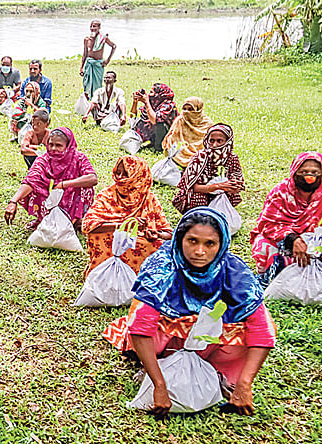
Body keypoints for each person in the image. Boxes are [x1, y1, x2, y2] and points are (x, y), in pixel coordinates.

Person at [103, 208, 275, 417]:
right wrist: (159, 384)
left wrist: (245, 384)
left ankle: (218, 372)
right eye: (192, 241)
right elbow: (140, 327)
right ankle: (156, 364)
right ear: (179, 239)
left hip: (208, 342)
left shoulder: (234, 271)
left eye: (209, 244)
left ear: (221, 246)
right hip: (167, 340)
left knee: (245, 332)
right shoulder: (161, 267)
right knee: (147, 330)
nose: (200, 251)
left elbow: (263, 331)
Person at [81, 156, 172, 277]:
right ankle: (104, 275)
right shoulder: (107, 195)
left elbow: (169, 234)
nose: (119, 178)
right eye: (118, 173)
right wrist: (124, 224)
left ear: (138, 177)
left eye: (125, 174)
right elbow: (87, 226)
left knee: (156, 246)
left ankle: (140, 280)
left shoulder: (149, 199)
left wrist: (157, 234)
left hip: (141, 242)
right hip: (113, 239)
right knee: (102, 236)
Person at [250, 152, 322, 284]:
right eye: (304, 171)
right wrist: (292, 239)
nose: (309, 177)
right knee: (263, 245)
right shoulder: (281, 192)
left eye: (315, 172)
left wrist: (312, 245)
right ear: (294, 172)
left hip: (315, 244)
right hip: (283, 242)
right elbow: (267, 224)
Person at [5, 127, 97, 230]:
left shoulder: (78, 158)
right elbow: (31, 180)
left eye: (58, 145)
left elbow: (92, 178)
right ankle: (44, 218)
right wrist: (13, 201)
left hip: (71, 196)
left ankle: (75, 220)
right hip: (50, 198)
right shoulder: (44, 159)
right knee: (36, 187)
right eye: (51, 144)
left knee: (86, 189)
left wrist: (63, 185)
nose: (53, 148)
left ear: (68, 146)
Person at [173, 124, 244, 214]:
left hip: (221, 192)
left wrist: (233, 187)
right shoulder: (200, 158)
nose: (215, 145)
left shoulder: (232, 158)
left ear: (228, 141)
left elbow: (239, 183)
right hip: (202, 193)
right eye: (212, 141)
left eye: (219, 141)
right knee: (196, 197)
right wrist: (218, 186)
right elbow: (191, 187)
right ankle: (198, 216)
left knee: (232, 195)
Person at [163, 97, 215, 167]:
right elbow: (171, 139)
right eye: (184, 109)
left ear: (198, 110)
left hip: (200, 156)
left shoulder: (207, 124)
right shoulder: (180, 120)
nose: (186, 112)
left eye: (190, 109)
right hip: (179, 155)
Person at [131, 83, 177, 153]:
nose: (149, 95)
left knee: (160, 125)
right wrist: (135, 102)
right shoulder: (153, 103)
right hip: (154, 134)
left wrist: (146, 102)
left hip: (168, 135)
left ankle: (159, 147)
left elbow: (155, 120)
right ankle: (151, 142)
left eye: (152, 92)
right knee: (141, 121)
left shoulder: (168, 105)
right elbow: (132, 116)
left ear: (159, 94)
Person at [80, 20, 116, 99]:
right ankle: (87, 101)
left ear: (99, 28)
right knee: (86, 84)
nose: (92, 28)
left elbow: (113, 46)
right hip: (89, 64)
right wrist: (81, 67)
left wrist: (107, 60)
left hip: (98, 64)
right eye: (91, 26)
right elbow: (85, 54)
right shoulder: (87, 39)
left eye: (95, 26)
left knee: (97, 85)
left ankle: (96, 101)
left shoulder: (103, 38)